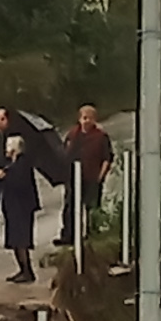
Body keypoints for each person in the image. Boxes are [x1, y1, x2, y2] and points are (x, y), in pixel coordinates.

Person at [0, 133, 46, 282]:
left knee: (21, 240)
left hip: (22, 208)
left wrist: (5, 176)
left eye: (9, 146)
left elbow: (20, 183)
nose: (6, 149)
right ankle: (22, 269)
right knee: (15, 241)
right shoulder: (10, 163)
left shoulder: (22, 163)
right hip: (12, 207)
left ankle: (27, 271)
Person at [64, 104, 114, 249]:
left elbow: (107, 158)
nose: (86, 121)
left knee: (92, 207)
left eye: (89, 118)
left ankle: (93, 234)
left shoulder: (101, 136)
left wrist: (101, 176)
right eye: (84, 118)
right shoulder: (73, 134)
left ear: (94, 120)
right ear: (79, 119)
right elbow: (64, 152)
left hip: (92, 177)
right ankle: (70, 235)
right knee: (70, 206)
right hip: (73, 177)